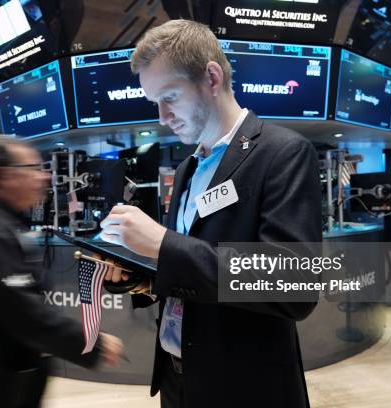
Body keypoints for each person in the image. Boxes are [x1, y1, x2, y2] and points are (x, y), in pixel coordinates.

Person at [99, 20, 321, 407]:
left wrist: (163, 244)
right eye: (156, 103)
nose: (162, 117)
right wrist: (141, 275)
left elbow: (294, 286)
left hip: (244, 386)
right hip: (177, 378)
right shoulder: (188, 168)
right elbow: (196, 267)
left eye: (169, 96)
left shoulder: (282, 153)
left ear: (212, 77)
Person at [0, 135, 123, 408]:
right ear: (4, 176)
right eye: (33, 169)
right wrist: (93, 343)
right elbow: (26, 314)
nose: (44, 177)